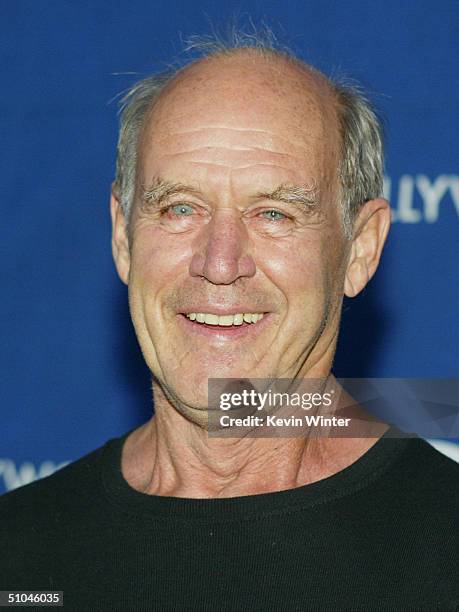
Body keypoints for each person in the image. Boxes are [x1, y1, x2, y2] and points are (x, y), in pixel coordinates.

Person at [1, 33, 457, 611]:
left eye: (273, 213)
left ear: (360, 250)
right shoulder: (17, 553)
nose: (219, 263)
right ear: (123, 235)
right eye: (180, 208)